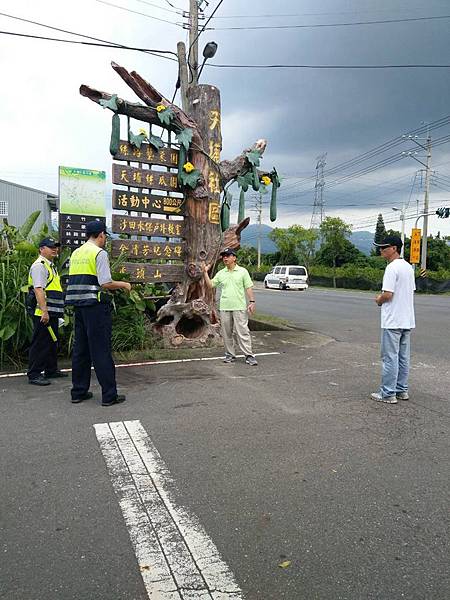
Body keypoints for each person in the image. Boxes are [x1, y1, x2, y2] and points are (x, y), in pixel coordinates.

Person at [65, 220, 131, 406]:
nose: (105, 240)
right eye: (105, 236)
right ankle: (109, 395)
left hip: (79, 306)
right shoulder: (99, 253)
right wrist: (124, 285)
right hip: (95, 306)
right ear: (101, 235)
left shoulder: (76, 253)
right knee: (101, 350)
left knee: (81, 350)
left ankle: (78, 392)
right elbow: (105, 283)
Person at [371, 235, 416, 404]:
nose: (381, 250)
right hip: (406, 319)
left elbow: (388, 295)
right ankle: (401, 390)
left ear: (394, 248)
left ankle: (388, 393)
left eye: (384, 247)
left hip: (392, 320)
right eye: (380, 248)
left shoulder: (391, 268)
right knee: (403, 357)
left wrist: (378, 299)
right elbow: (409, 292)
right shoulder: (408, 268)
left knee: (390, 357)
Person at [202, 248, 258, 366]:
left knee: (242, 331)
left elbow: (248, 287)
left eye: (227, 255)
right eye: (223, 256)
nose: (225, 258)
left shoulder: (243, 271)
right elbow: (210, 285)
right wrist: (205, 272)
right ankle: (230, 354)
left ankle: (249, 355)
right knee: (227, 332)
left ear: (234, 258)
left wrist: (252, 302)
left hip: (239, 307)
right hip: (225, 307)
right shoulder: (221, 273)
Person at [27, 237, 67, 386]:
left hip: (52, 312)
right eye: (51, 247)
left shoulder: (51, 265)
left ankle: (51, 369)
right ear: (41, 249)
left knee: (51, 341)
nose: (55, 249)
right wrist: (44, 311)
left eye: (56, 246)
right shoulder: (40, 265)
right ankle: (34, 373)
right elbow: (38, 289)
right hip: (43, 313)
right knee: (40, 343)